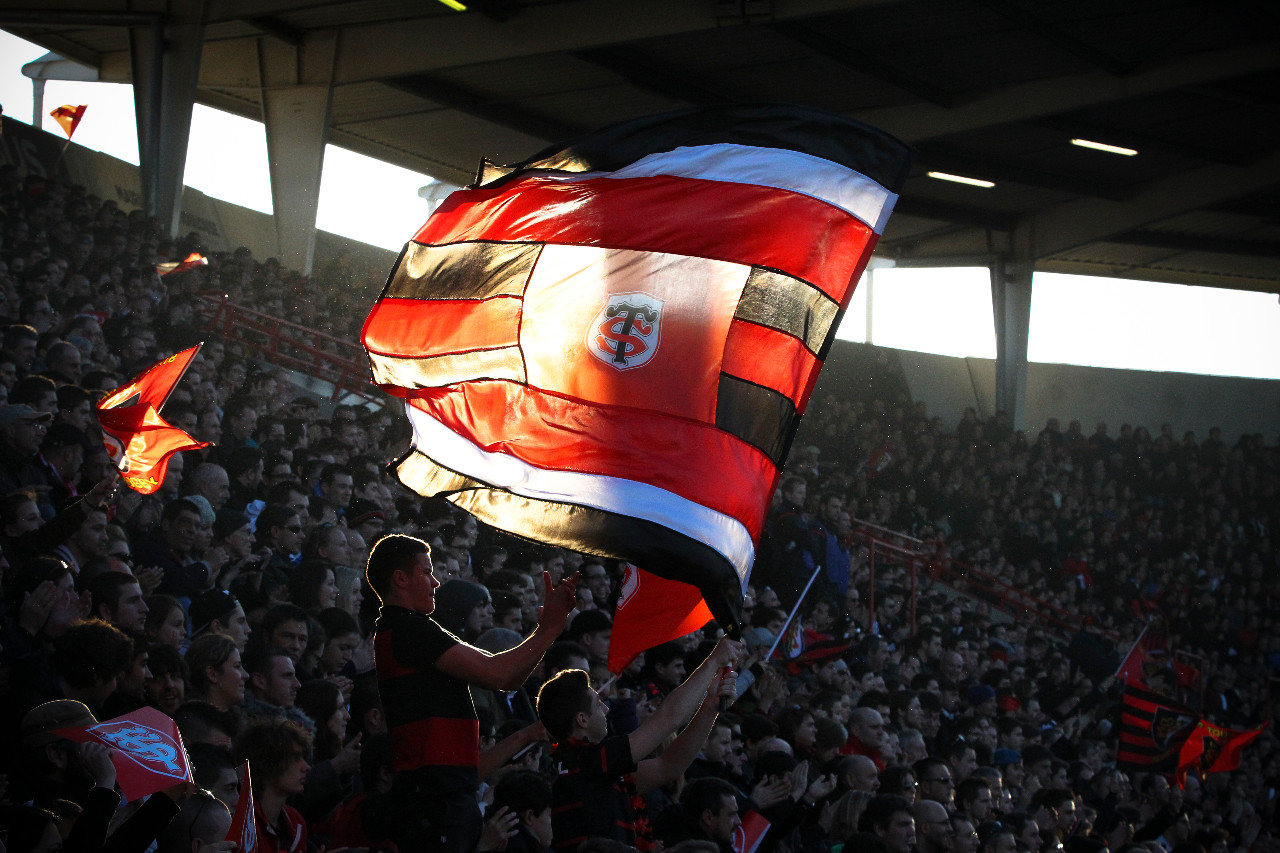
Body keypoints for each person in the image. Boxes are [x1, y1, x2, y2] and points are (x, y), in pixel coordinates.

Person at [364, 533, 579, 853]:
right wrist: (548, 629)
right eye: (426, 572)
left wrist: (548, 630)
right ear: (400, 579)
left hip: (438, 801)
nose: (436, 582)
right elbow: (498, 673)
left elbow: (507, 680)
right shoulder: (410, 629)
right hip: (436, 808)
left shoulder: (400, 631)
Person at [536, 637, 739, 851]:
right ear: (582, 719)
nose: (606, 710)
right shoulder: (587, 761)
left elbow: (669, 766)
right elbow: (668, 718)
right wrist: (712, 662)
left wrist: (709, 707)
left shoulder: (586, 766)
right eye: (598, 704)